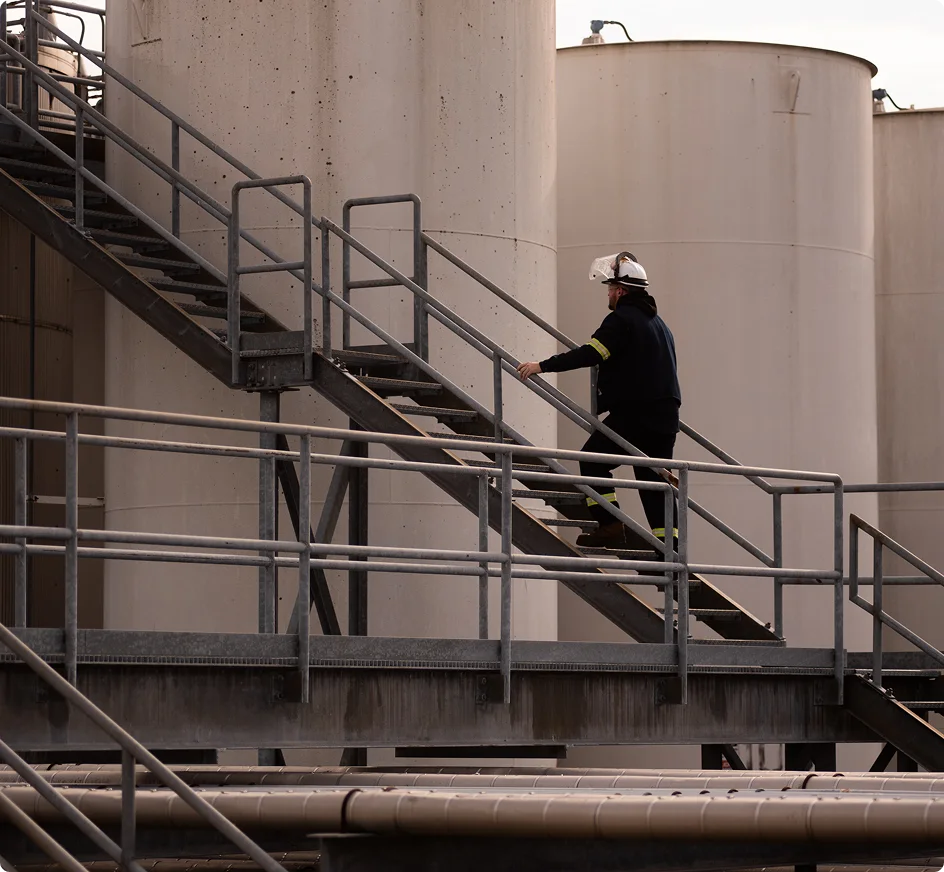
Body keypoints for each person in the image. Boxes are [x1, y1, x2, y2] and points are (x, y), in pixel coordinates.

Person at [516, 252, 681, 549]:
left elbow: (590, 353)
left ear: (620, 291)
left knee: (592, 460)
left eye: (609, 288)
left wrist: (542, 365)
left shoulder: (621, 319)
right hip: (666, 415)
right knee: (655, 480)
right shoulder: (660, 325)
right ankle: (670, 548)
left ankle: (610, 525)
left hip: (636, 414)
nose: (607, 293)